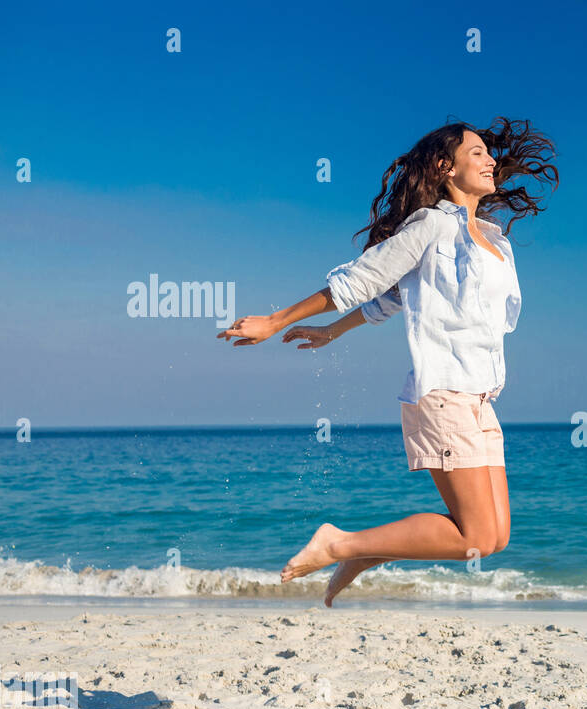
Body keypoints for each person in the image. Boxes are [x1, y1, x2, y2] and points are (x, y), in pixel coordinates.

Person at [216, 117, 557, 606]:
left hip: (481, 398)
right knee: (475, 537)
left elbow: (394, 299)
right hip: (443, 392)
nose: (490, 161)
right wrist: (275, 321)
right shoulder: (431, 225)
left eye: (489, 152)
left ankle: (367, 553)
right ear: (445, 167)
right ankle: (340, 543)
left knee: (496, 537)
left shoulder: (492, 238)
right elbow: (363, 280)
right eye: (476, 153)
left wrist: (334, 332)